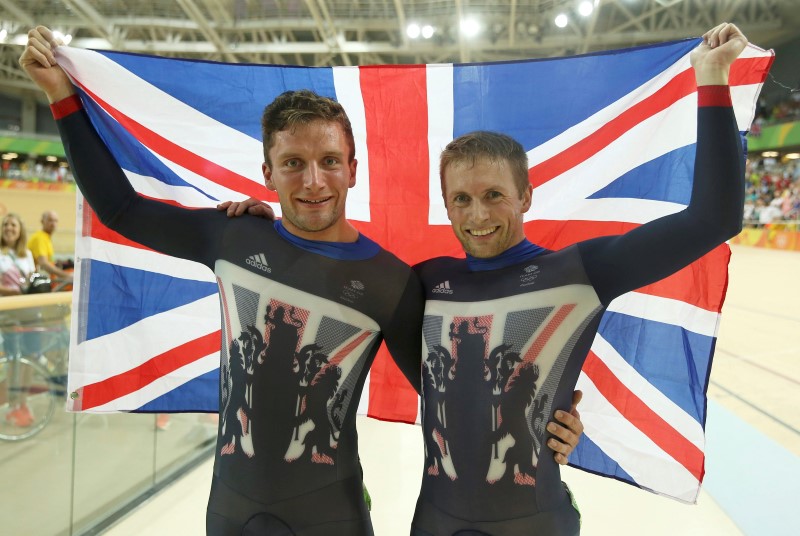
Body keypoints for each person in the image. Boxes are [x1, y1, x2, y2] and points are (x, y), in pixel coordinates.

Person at [19, 27, 583, 536]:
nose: (314, 181)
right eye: (293, 163)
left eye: (330, 161)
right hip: (228, 512)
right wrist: (59, 95)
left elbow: (450, 392)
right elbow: (119, 209)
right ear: (267, 172)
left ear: (353, 169)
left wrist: (552, 421)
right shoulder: (233, 237)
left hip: (330, 516)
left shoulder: (389, 281)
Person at [407, 22, 748, 536]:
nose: (477, 214)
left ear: (525, 197)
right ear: (446, 204)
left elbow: (713, 219)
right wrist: (243, 219)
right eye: (461, 198)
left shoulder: (577, 272)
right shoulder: (426, 282)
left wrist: (713, 77)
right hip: (432, 522)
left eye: (494, 194)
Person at [1, 213, 37, 427]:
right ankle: (12, 404)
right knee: (14, 360)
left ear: (19, 229)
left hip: (30, 314)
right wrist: (14, 292)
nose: (8, 228)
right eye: (5, 224)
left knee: (30, 359)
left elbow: (31, 280)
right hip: (9, 313)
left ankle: (23, 402)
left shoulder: (27, 255)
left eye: (13, 225)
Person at [27, 210, 73, 283]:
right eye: (50, 220)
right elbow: (44, 264)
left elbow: (47, 262)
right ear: (42, 221)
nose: (53, 224)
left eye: (55, 221)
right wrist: (67, 276)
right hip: (36, 280)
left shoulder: (46, 238)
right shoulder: (40, 238)